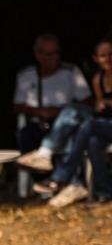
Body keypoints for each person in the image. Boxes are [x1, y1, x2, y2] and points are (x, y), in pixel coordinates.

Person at [31, 38, 112, 207]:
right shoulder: (98, 79)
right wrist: (99, 104)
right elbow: (99, 108)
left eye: (111, 54)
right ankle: (105, 192)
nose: (108, 59)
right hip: (106, 125)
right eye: (103, 55)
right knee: (92, 140)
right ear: (96, 59)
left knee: (88, 126)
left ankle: (60, 176)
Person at [13, 34, 92, 162]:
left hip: (66, 124)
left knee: (70, 127)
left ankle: (45, 156)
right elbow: (17, 106)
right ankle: (43, 178)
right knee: (24, 135)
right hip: (38, 125)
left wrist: (61, 112)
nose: (55, 57)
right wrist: (41, 112)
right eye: (50, 54)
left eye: (57, 53)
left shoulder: (71, 72)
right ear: (38, 55)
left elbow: (87, 102)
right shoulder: (26, 75)